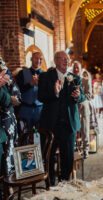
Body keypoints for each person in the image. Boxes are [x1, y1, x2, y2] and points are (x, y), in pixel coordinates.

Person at [38, 51, 85, 185]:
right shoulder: (45, 77)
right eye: (64, 59)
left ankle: (65, 184)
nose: (67, 61)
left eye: (68, 59)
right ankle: (51, 185)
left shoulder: (75, 78)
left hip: (69, 124)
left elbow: (82, 96)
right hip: (50, 124)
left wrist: (78, 96)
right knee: (49, 157)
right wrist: (54, 93)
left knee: (68, 158)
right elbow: (40, 96)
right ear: (56, 60)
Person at [17, 52, 44, 128]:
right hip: (26, 109)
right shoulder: (24, 73)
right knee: (25, 134)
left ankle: (37, 140)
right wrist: (30, 84)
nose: (38, 61)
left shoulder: (44, 74)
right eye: (36, 58)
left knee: (38, 134)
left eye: (40, 59)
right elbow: (18, 90)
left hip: (40, 110)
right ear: (31, 59)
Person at [72, 61, 92, 159]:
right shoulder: (69, 80)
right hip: (73, 105)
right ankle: (73, 146)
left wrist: (80, 97)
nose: (76, 69)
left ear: (81, 70)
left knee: (85, 124)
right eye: (74, 67)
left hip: (83, 104)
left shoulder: (86, 80)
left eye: (77, 68)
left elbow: (89, 95)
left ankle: (85, 148)